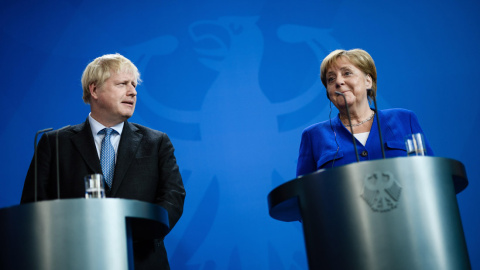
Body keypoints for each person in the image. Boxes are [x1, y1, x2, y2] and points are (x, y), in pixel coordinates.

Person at [20, 53, 186, 269]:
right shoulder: (55, 143)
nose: (133, 92)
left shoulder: (157, 142)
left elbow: (173, 198)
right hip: (74, 260)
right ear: (94, 90)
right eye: (122, 84)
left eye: (134, 85)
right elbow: (34, 208)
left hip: (141, 260)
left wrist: (129, 234)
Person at [296, 49, 433, 176]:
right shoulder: (313, 136)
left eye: (347, 73)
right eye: (331, 79)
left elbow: (432, 174)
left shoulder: (404, 119)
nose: (338, 81)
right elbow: (303, 195)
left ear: (368, 81)